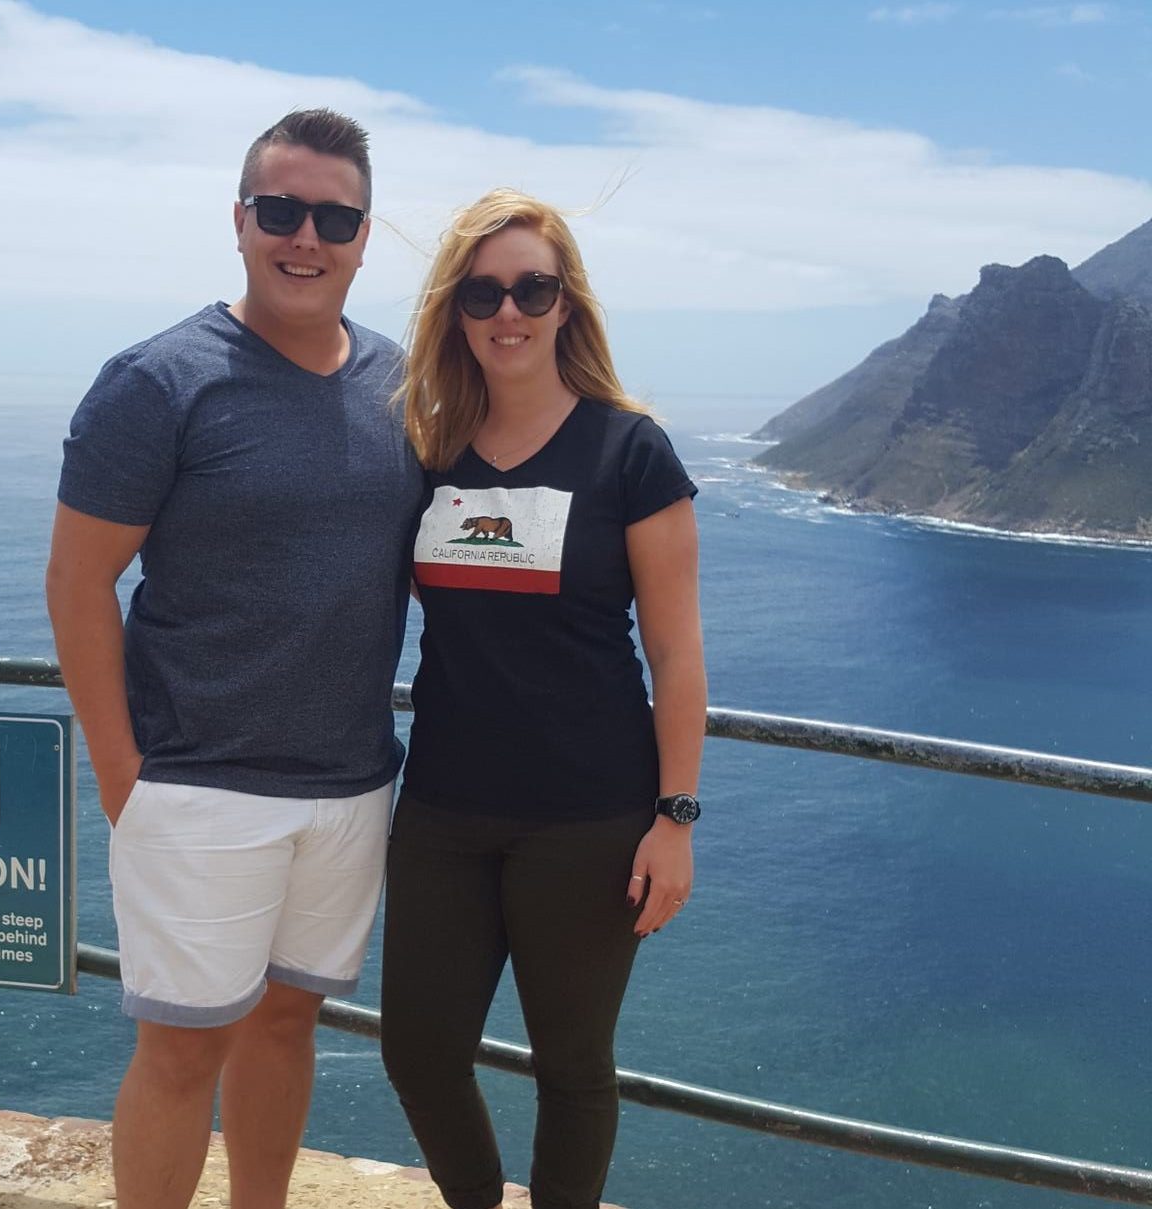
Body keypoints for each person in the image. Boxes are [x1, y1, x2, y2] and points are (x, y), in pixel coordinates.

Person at [45, 109, 423, 1209]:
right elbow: (77, 581)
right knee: (179, 1051)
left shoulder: (403, 385)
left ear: (364, 238)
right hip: (197, 785)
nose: (306, 237)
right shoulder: (159, 380)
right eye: (282, 210)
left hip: (350, 783)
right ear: (242, 219)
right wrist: (123, 777)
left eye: (335, 219)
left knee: (287, 1021)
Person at [381, 189, 707, 1209]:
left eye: (533, 288)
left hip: (589, 817)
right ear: (456, 310)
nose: (508, 311)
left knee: (570, 1066)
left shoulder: (631, 452)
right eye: (482, 292)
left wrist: (676, 819)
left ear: (568, 303)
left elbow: (677, 651)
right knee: (418, 1050)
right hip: (443, 809)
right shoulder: (428, 450)